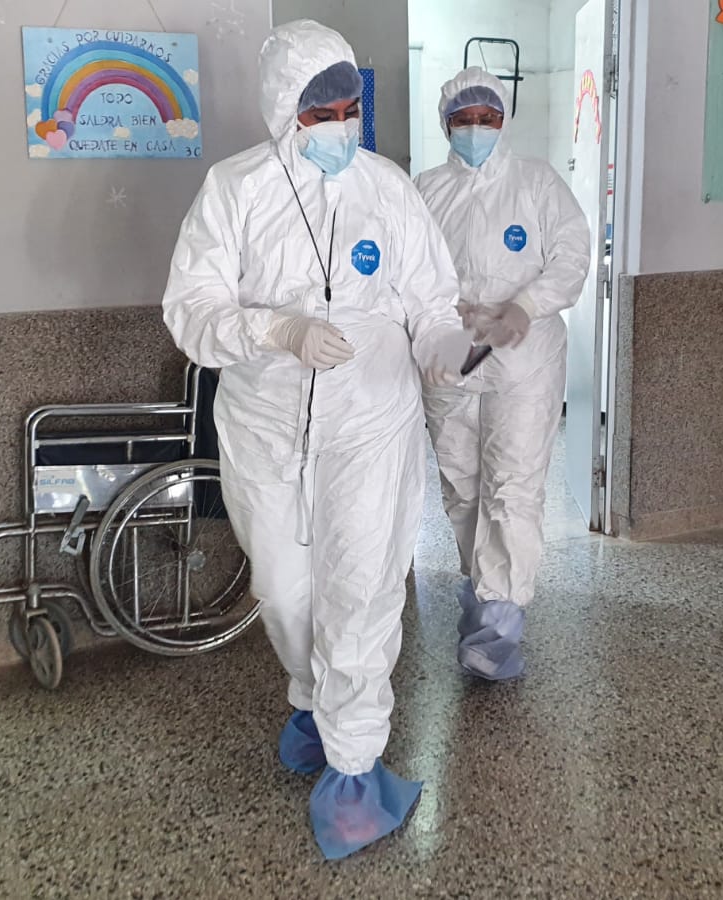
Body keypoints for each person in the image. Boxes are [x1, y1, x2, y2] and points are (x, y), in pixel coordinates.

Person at [161, 20, 472, 860]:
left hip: (372, 418)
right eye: (320, 112)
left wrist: (448, 348)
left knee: (361, 589)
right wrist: (277, 330)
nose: (340, 125)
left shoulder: (387, 188)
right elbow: (191, 311)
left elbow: (431, 301)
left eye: (349, 109)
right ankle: (314, 701)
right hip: (265, 423)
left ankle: (355, 770)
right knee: (285, 588)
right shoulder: (235, 190)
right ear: (281, 110)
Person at [415, 68, 591, 682]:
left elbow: (572, 253)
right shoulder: (425, 190)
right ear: (447, 125)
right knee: (462, 485)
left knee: (512, 486)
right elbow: (406, 270)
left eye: (486, 118)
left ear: (503, 121)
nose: (476, 128)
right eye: (464, 119)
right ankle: (482, 588)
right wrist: (440, 316)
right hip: (452, 349)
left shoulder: (536, 182)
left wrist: (525, 305)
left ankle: (499, 620)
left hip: (523, 351)